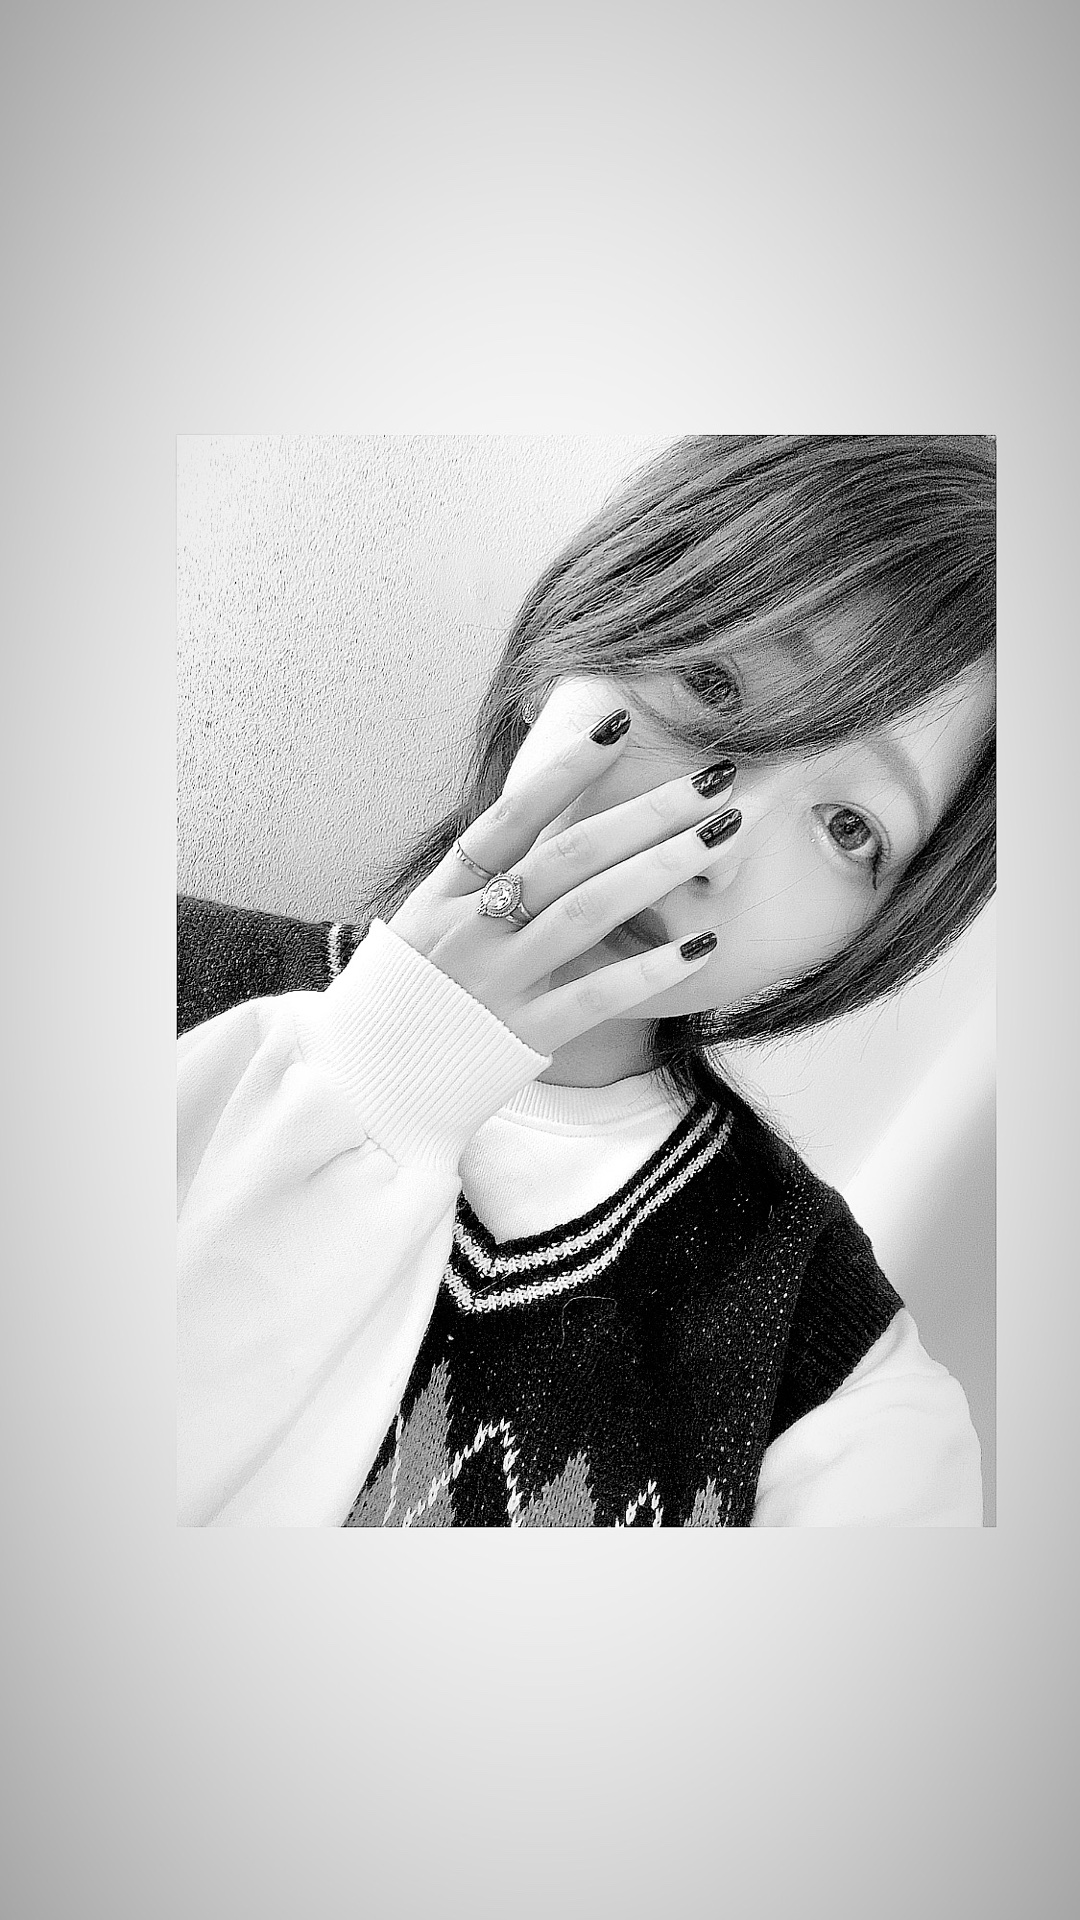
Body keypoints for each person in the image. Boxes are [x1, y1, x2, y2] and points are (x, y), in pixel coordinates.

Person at [178, 434, 995, 1527]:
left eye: (850, 827)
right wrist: (373, 1081)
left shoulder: (837, 1390)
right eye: (715, 684)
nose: (714, 851)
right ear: (567, 647)